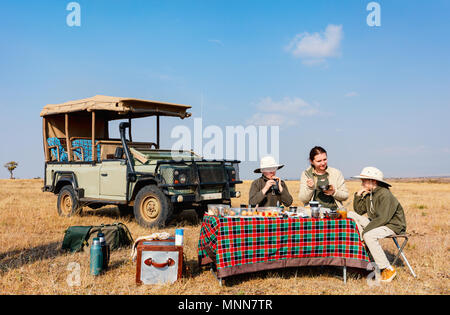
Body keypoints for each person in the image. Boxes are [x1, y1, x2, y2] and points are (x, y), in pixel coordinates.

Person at [348, 166, 407, 283]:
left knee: (369, 235)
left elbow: (383, 218)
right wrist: (358, 196)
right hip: (379, 223)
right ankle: (364, 247)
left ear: (373, 181)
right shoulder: (370, 194)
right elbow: (359, 211)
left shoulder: (384, 194)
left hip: (392, 225)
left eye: (364, 181)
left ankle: (387, 268)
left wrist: (365, 232)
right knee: (350, 214)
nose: (362, 183)